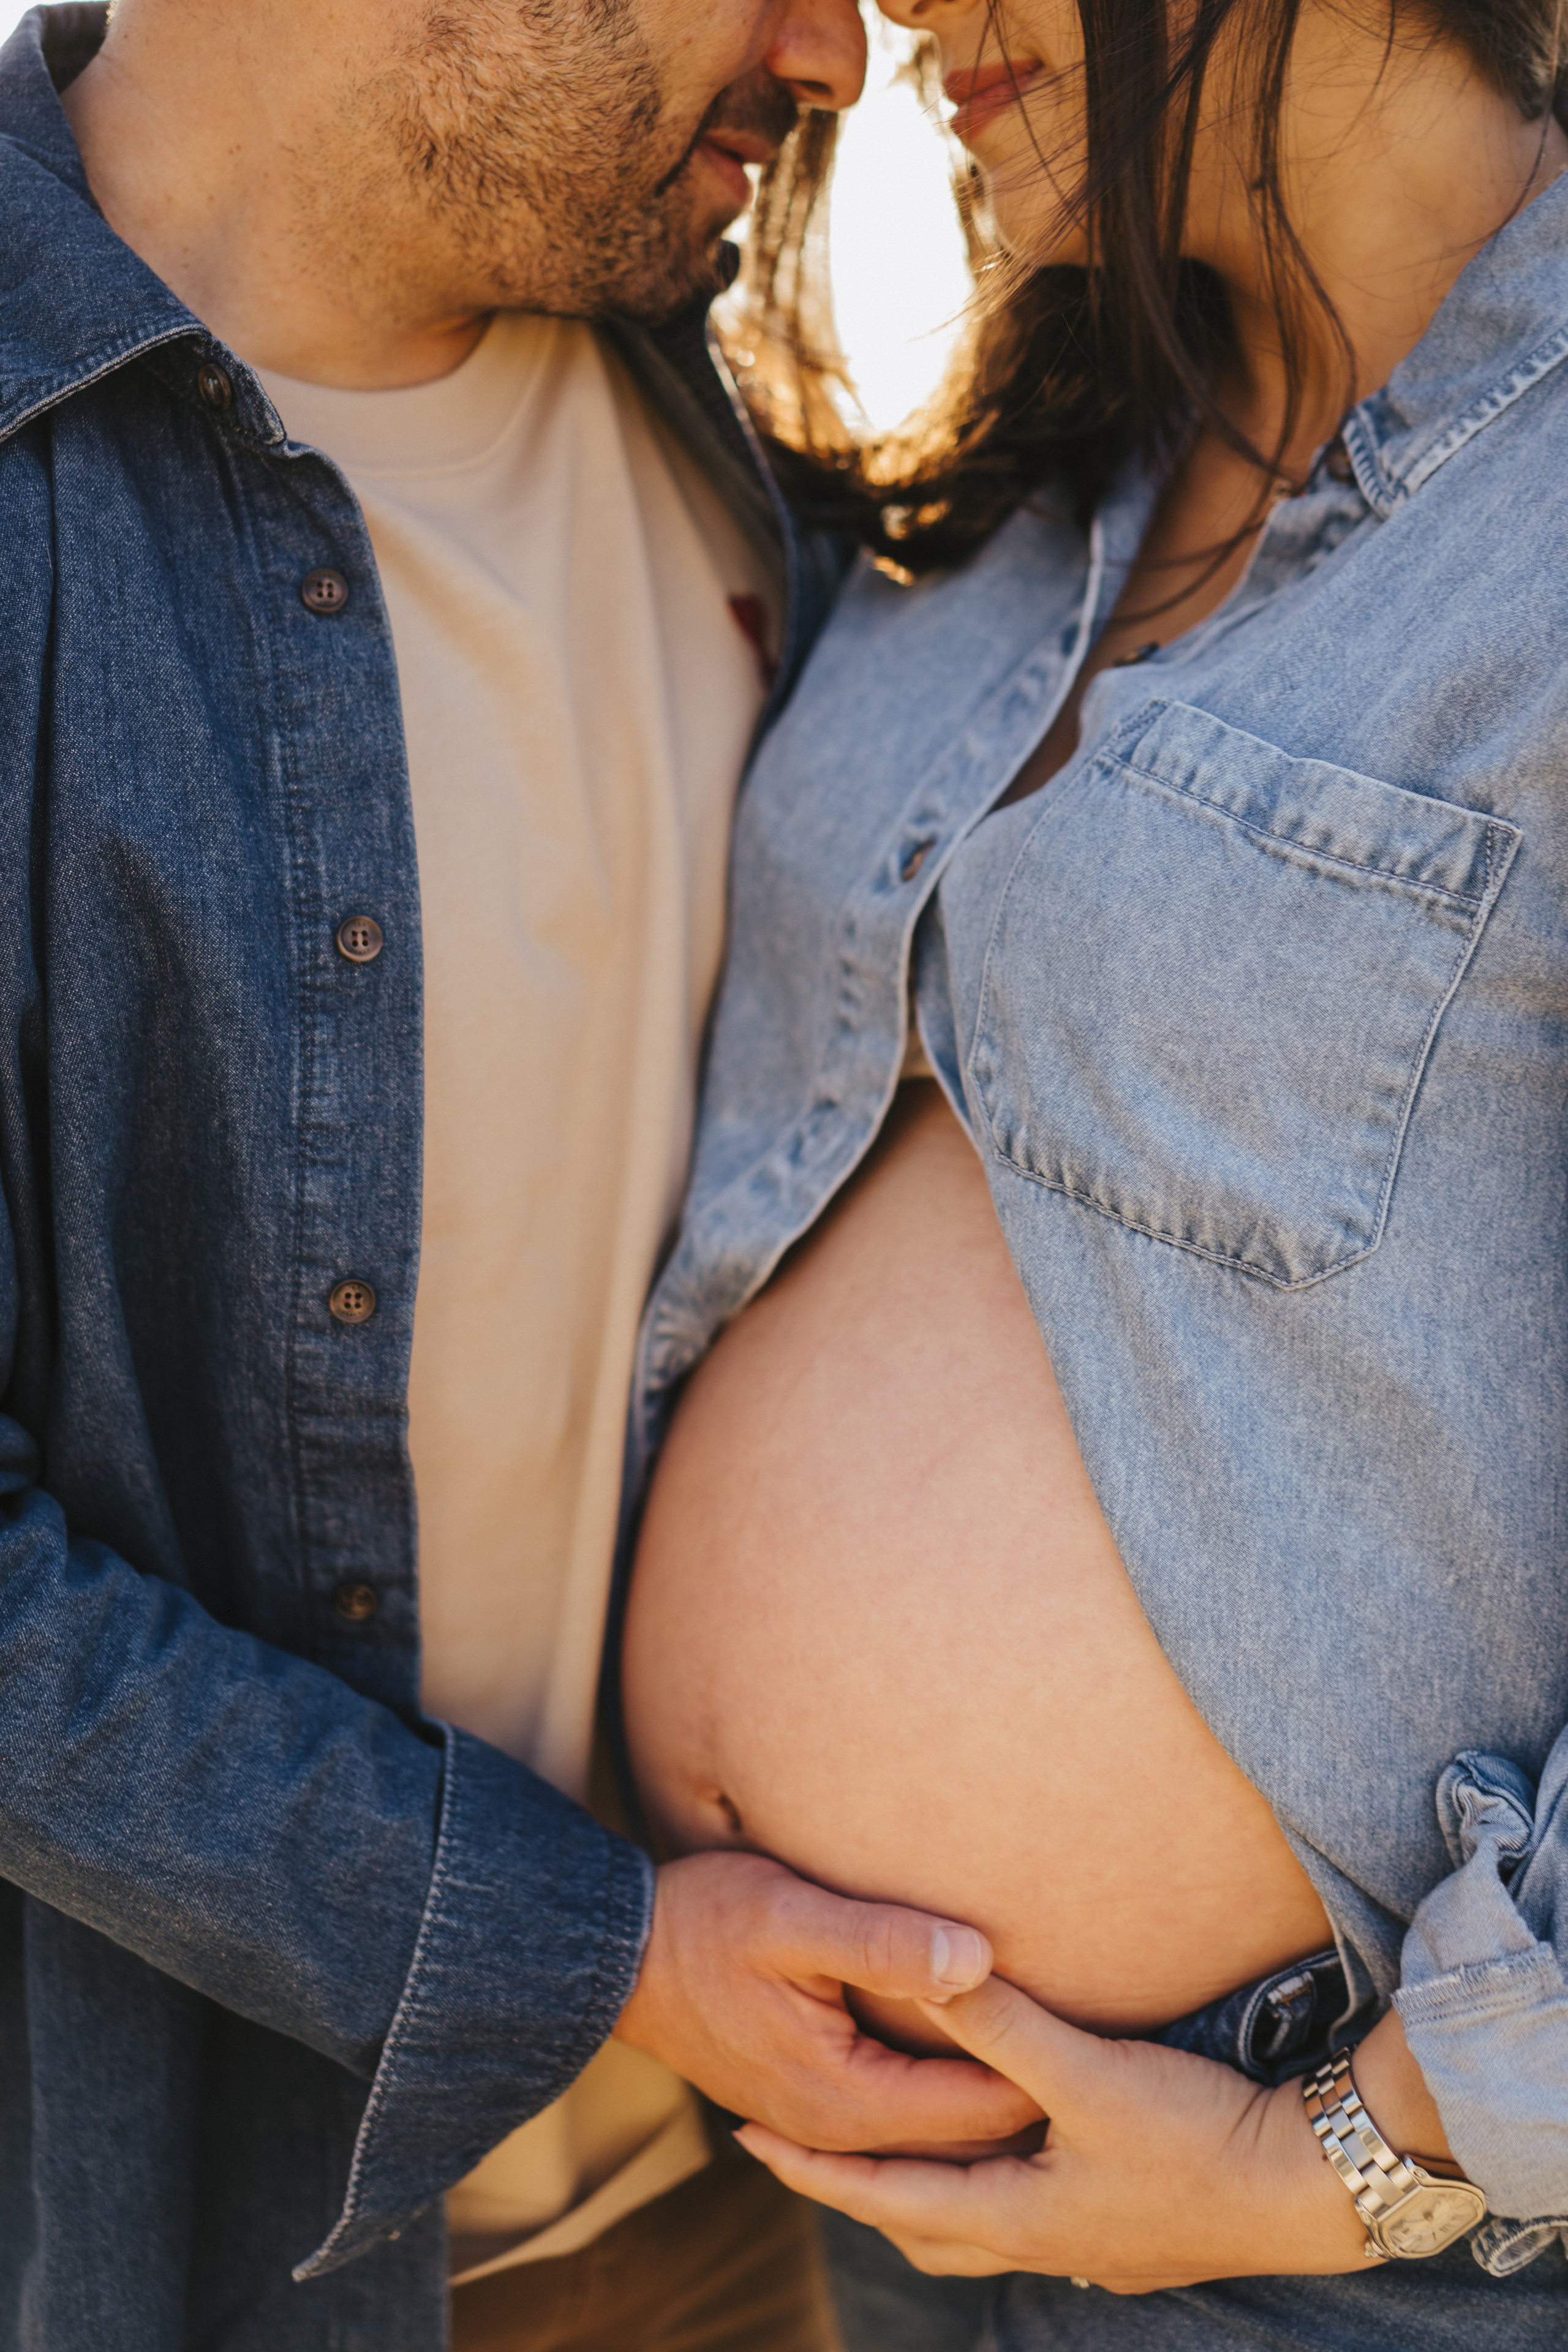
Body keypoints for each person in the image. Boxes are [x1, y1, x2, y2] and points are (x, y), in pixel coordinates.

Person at [0, 2, 1043, 2346]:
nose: (843, 50)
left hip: (755, 2216)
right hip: (219, 2263)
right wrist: (602, 1961)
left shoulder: (726, 422)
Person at [616, 0, 1568, 2342]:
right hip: (823, 2151)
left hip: (1316, 2235)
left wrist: (1335, 2159)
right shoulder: (1062, 452)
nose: (889, 16)